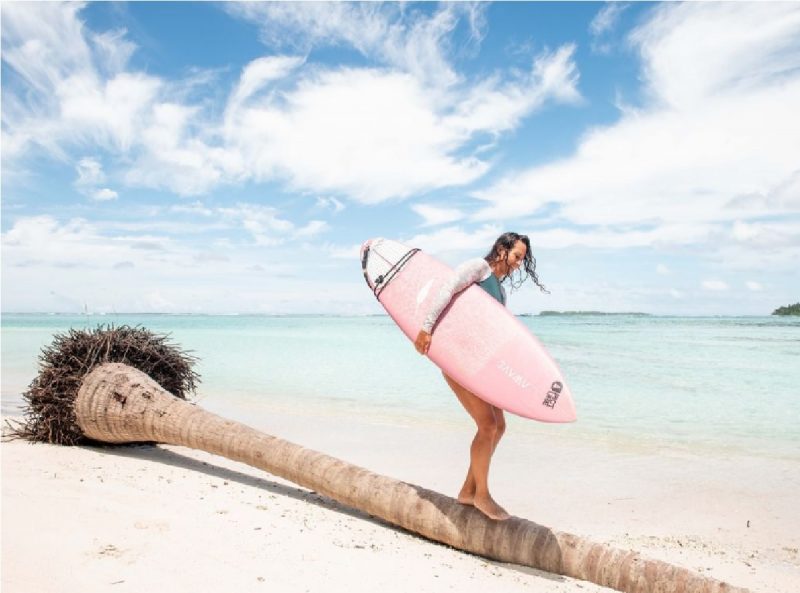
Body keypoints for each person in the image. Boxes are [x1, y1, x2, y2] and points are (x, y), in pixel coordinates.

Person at [413, 232, 547, 521]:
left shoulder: (500, 290)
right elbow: (446, 288)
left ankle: (467, 490)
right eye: (516, 257)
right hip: (458, 360)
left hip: (481, 365)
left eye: (522, 260)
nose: (518, 264)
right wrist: (426, 328)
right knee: (487, 426)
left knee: (499, 426)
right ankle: (482, 496)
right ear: (501, 249)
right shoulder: (478, 268)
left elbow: (496, 331)